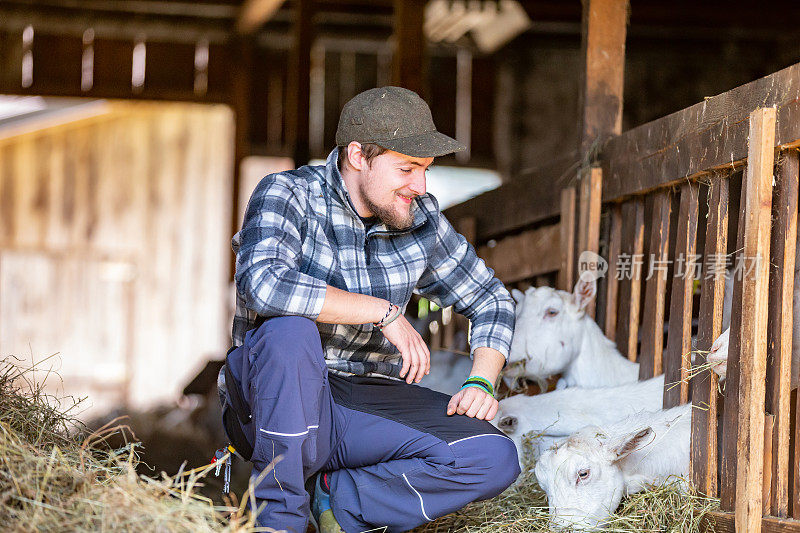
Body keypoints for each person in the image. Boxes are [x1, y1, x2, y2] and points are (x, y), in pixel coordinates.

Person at [221, 86, 520, 533]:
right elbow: (263, 284)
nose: (420, 186)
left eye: (425, 170)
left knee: (493, 457)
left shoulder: (421, 220)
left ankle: (337, 502)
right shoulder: (289, 194)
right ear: (358, 156)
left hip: (362, 400)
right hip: (276, 394)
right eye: (407, 168)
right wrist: (383, 312)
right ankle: (279, 522)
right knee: (289, 332)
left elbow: (492, 298)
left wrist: (483, 378)